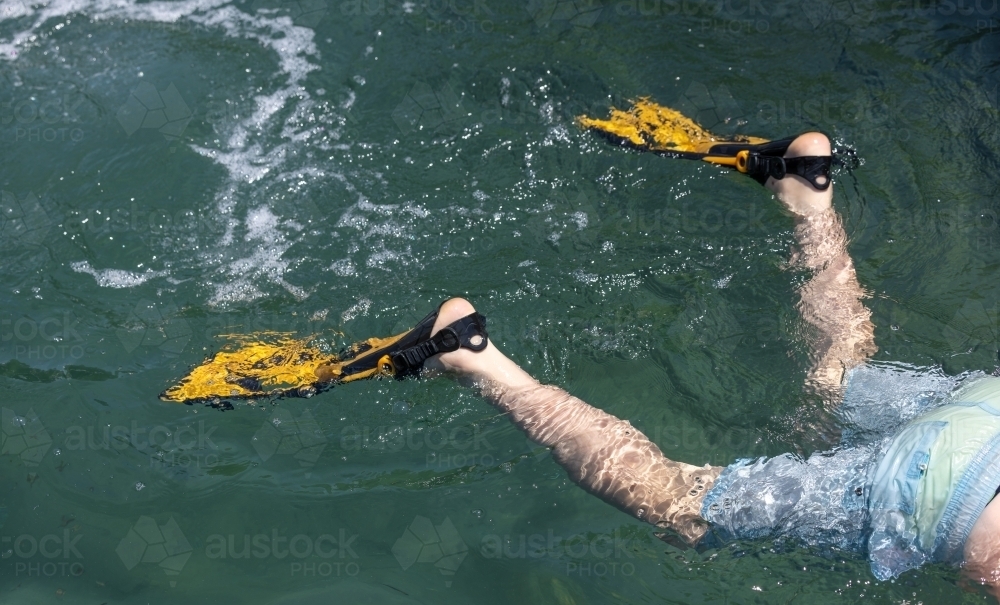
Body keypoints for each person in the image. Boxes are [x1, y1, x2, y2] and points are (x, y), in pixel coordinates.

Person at [162, 106, 1000, 590]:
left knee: (839, 383)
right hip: (939, 491)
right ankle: (467, 350)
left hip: (986, 421)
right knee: (684, 507)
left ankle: (806, 191)